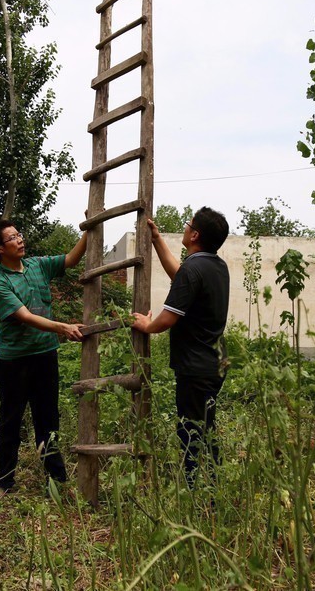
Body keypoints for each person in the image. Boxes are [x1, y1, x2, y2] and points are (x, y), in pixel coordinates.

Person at [0, 219, 87, 495]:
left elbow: (71, 260)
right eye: (12, 238)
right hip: (14, 361)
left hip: (45, 355)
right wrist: (63, 327)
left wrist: (89, 230)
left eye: (19, 234)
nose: (19, 240)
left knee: (48, 419)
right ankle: (4, 481)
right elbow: (26, 317)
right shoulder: (0, 284)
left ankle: (57, 481)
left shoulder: (37, 265)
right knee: (11, 420)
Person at [131, 207, 230, 487]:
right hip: (216, 362)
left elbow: (169, 317)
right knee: (206, 425)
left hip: (196, 367)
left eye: (188, 224)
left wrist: (146, 325)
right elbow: (180, 273)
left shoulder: (193, 268)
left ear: (195, 234)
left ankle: (197, 488)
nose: (185, 228)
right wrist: (156, 238)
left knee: (191, 429)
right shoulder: (215, 266)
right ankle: (210, 485)